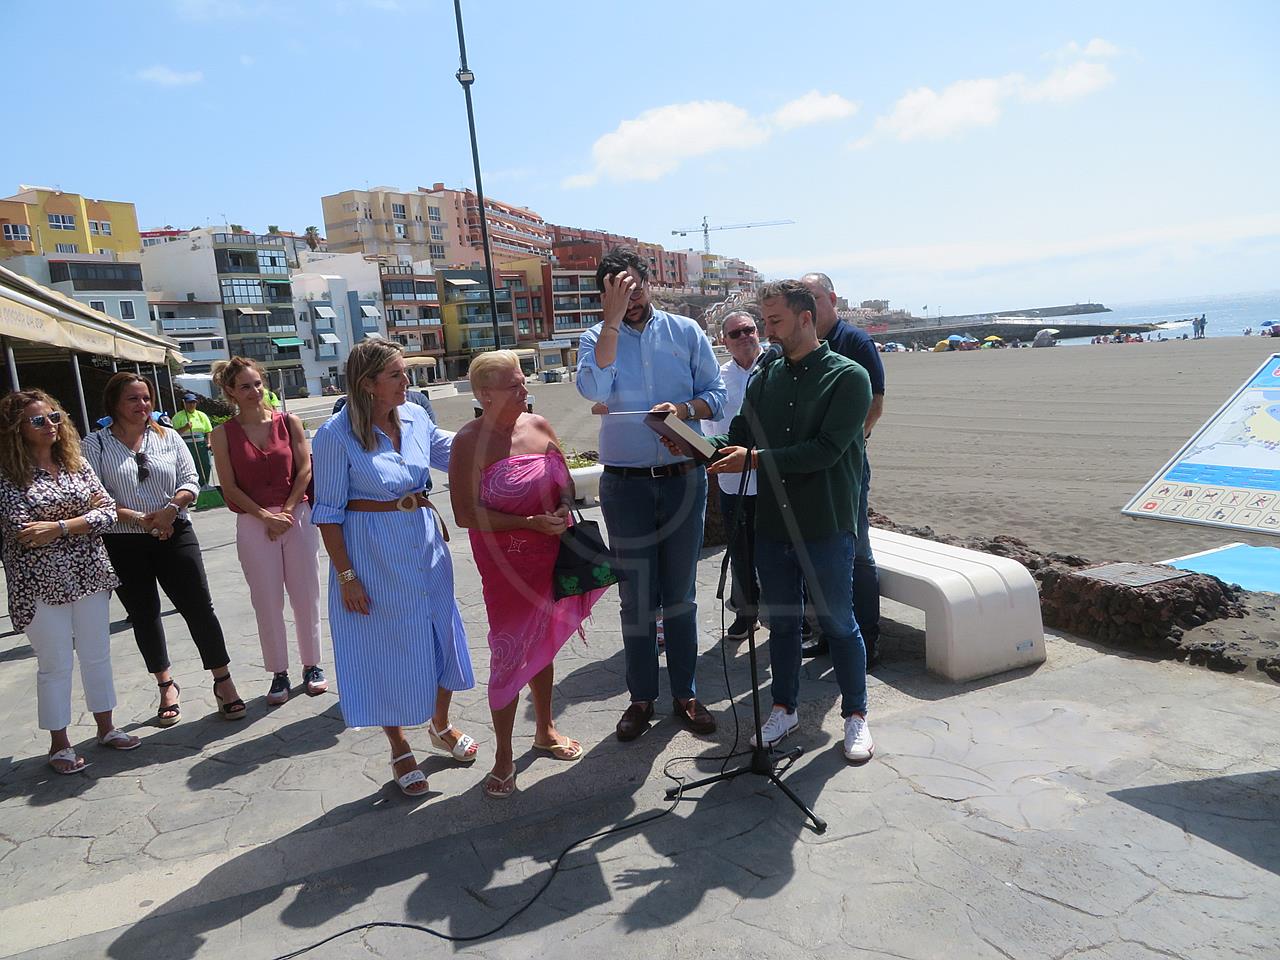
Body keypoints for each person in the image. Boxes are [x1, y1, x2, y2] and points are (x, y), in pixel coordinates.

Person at [703, 280, 874, 763]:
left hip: (825, 521)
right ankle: (784, 708)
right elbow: (739, 435)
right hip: (773, 524)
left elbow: (825, 451)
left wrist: (754, 460)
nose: (768, 330)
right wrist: (687, 442)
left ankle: (856, 714)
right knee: (781, 623)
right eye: (764, 321)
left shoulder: (849, 377)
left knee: (839, 622)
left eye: (774, 321)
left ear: (805, 318)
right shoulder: (765, 378)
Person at [311, 339, 477, 797]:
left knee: (440, 632)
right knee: (384, 647)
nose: (408, 381)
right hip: (372, 553)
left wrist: (505, 433)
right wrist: (346, 576)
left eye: (406, 372)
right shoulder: (334, 435)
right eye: (397, 375)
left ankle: (440, 724)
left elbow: (454, 451)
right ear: (368, 384)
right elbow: (327, 513)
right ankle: (399, 744)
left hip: (425, 544)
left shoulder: (416, 415)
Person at [575, 246, 726, 742]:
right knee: (636, 598)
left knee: (680, 595)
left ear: (647, 283)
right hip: (626, 486)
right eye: (619, 292)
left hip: (684, 478)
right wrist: (611, 323)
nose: (631, 298)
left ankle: (685, 693)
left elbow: (717, 395)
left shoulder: (686, 331)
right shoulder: (595, 338)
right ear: (605, 296)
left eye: (635, 287)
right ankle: (641, 698)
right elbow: (594, 390)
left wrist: (684, 410)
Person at [449, 350, 608, 798]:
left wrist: (562, 506)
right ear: (485, 394)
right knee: (508, 652)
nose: (525, 389)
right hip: (505, 564)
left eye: (524, 381)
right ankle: (503, 755)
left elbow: (565, 482)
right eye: (514, 384)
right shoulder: (468, 442)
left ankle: (545, 728)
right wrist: (528, 523)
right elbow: (465, 513)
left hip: (551, 552)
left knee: (542, 642)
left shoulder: (538, 425)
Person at [84, 373, 245, 725]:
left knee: (199, 607)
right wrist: (139, 519)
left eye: (146, 398)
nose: (142, 405)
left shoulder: (168, 436)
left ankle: (223, 681)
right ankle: (166, 684)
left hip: (175, 530)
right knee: (144, 614)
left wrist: (170, 510)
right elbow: (95, 496)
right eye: (133, 399)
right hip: (124, 540)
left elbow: (191, 479)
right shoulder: (95, 444)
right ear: (113, 403)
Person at [0, 390, 141, 773]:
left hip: (89, 573)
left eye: (54, 417)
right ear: (16, 429)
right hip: (39, 583)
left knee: (97, 653)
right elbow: (22, 530)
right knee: (55, 663)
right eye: (38, 420)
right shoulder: (8, 474)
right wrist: (81, 521)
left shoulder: (75, 463)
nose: (50, 425)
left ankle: (107, 727)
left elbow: (108, 511)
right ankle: (59, 744)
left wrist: (59, 526)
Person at [209, 357, 325, 706]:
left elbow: (304, 469)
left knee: (306, 593)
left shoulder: (289, 422)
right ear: (230, 391)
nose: (254, 391)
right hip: (253, 522)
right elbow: (229, 486)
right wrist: (265, 517)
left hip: (296, 514)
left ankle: (312, 665)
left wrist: (286, 511)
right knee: (266, 599)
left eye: (257, 383)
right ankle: (278, 672)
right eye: (245, 386)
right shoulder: (222, 434)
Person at [801, 273, 886, 667]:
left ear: (832, 299)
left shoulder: (854, 341)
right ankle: (829, 633)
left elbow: (876, 404)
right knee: (818, 551)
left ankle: (867, 639)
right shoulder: (801, 345)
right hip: (811, 465)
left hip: (847, 467)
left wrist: (848, 447)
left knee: (857, 550)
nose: (809, 306)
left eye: (815, 297)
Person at [703, 310, 763, 641]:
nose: (744, 337)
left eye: (749, 330)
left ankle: (794, 616)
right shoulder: (718, 377)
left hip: (770, 478)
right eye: (735, 333)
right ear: (724, 341)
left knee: (778, 552)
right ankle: (746, 612)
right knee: (740, 551)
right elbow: (710, 426)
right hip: (732, 482)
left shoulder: (775, 368)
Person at [171, 392, 215, 485]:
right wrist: (185, 428)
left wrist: (209, 442)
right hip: (186, 446)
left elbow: (208, 430)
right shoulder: (177, 417)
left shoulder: (201, 415)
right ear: (184, 403)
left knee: (205, 465)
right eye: (189, 403)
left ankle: (205, 484)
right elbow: (173, 434)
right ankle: (193, 485)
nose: (192, 405)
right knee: (191, 465)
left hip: (201, 445)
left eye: (193, 402)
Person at [332, 387, 435, 422]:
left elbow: (432, 438)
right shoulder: (344, 406)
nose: (405, 380)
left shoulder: (418, 408)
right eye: (394, 375)